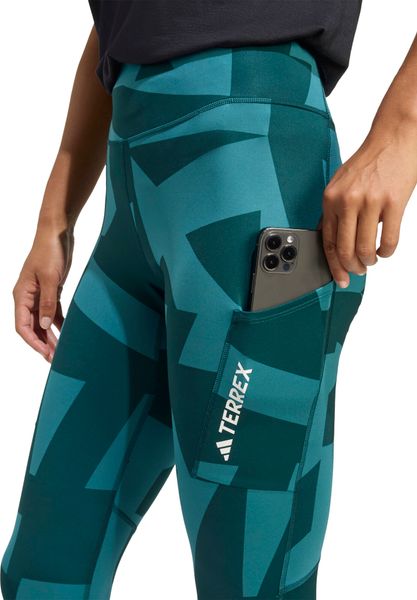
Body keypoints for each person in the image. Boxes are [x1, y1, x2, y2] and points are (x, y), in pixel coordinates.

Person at [1, 2, 417, 599]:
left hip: (251, 178)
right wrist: (55, 219)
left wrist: (402, 130)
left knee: (249, 581)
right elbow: (118, 25)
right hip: (130, 198)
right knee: (41, 574)